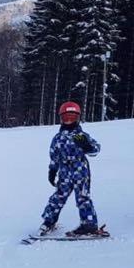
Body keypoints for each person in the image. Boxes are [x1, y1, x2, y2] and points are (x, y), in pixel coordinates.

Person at [39, 101, 105, 238]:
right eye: (66, 117)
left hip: (80, 171)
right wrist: (52, 171)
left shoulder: (81, 136)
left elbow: (96, 150)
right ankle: (49, 221)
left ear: (77, 118)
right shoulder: (57, 138)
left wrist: (87, 147)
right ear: (61, 118)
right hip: (64, 172)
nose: (69, 121)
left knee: (83, 197)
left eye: (72, 117)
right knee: (58, 196)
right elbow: (54, 156)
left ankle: (89, 224)